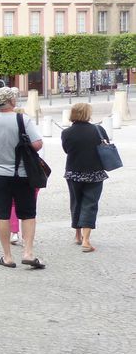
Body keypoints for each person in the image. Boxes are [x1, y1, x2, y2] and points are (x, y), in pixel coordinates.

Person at [0, 87, 45, 270]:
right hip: (23, 175)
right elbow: (37, 144)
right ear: (13, 102)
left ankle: (7, 256)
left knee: (2, 215)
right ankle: (28, 253)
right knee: (28, 214)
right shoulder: (23, 119)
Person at [61, 102, 108, 253]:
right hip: (95, 172)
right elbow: (106, 145)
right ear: (88, 114)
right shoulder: (98, 130)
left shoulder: (66, 133)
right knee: (90, 204)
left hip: (73, 171)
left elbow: (67, 150)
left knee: (76, 202)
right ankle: (86, 240)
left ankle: (77, 235)